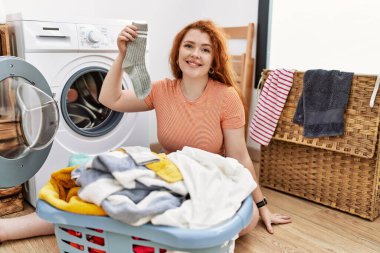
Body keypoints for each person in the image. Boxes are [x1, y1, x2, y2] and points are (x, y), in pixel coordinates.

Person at [0, 19, 290, 244]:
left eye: (205, 49)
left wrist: (261, 204)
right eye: (189, 46)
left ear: (214, 60)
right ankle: (11, 229)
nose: (195, 55)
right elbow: (109, 100)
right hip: (169, 173)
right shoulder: (162, 90)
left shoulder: (226, 96)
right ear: (177, 52)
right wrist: (121, 56)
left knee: (248, 218)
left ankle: (135, 233)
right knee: (103, 191)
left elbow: (240, 158)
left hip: (209, 177)